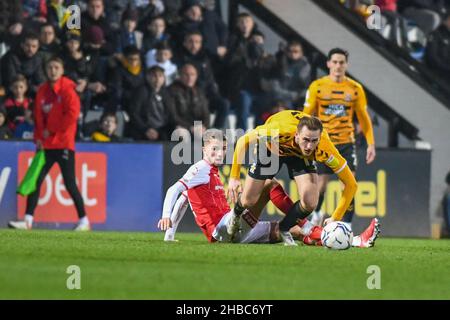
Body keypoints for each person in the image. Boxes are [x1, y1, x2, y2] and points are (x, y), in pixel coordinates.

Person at [159, 129, 380, 246]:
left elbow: (184, 199)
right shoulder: (200, 169)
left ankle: (356, 241)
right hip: (222, 231)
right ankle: (324, 228)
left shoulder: (211, 174)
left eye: (224, 149)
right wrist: (166, 215)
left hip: (233, 232)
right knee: (270, 184)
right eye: (215, 149)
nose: (220, 154)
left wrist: (170, 235)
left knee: (293, 231)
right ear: (204, 149)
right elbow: (174, 191)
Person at [227, 110, 358, 244]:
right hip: (272, 147)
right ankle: (236, 214)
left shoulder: (325, 149)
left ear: (319, 138)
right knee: (249, 200)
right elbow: (243, 141)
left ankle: (284, 228)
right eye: (306, 140)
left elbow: (351, 184)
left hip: (300, 156)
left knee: (310, 201)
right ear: (296, 135)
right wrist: (234, 177)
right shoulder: (278, 130)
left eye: (314, 141)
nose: (309, 146)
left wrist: (336, 216)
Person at [8, 57, 90, 231]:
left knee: (69, 183)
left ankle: (84, 220)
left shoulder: (68, 89)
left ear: (62, 70)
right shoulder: (42, 91)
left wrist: (51, 130)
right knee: (36, 180)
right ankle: (28, 220)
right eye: (50, 67)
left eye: (56, 67)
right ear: (46, 70)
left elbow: (72, 115)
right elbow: (38, 117)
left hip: (64, 143)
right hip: (46, 145)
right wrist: (38, 137)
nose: (52, 70)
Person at [303, 48, 376, 227]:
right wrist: (300, 139)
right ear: (328, 64)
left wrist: (371, 144)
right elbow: (305, 115)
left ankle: (346, 226)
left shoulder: (355, 89)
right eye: (334, 62)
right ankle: (317, 215)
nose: (338, 66)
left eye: (341, 62)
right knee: (320, 185)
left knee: (349, 184)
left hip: (346, 143)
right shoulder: (317, 86)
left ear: (346, 65)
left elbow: (364, 119)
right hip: (324, 144)